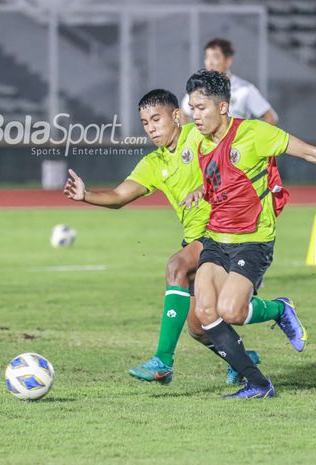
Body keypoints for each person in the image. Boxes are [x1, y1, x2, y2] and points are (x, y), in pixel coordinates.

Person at [181, 69, 316, 399]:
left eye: (201, 108)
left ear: (223, 107)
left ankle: (280, 309)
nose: (195, 116)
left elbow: (311, 153)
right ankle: (257, 384)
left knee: (232, 313)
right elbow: (222, 175)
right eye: (191, 108)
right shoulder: (198, 140)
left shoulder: (256, 134)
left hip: (252, 242)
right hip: (215, 239)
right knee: (204, 314)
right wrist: (201, 189)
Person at [63, 89, 268, 386]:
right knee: (199, 328)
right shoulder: (153, 163)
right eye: (145, 122)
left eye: (156, 119)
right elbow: (120, 195)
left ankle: (163, 361)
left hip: (222, 234)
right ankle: (241, 359)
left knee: (176, 266)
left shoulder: (198, 137)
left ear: (176, 116)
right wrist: (87, 195)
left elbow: (231, 142)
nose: (151, 128)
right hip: (197, 241)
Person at [181, 38, 278, 125]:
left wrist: (250, 139)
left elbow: (271, 118)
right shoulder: (199, 87)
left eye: (215, 57)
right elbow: (184, 113)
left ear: (228, 61)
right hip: (208, 145)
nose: (209, 62)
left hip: (234, 144)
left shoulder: (244, 89)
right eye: (207, 57)